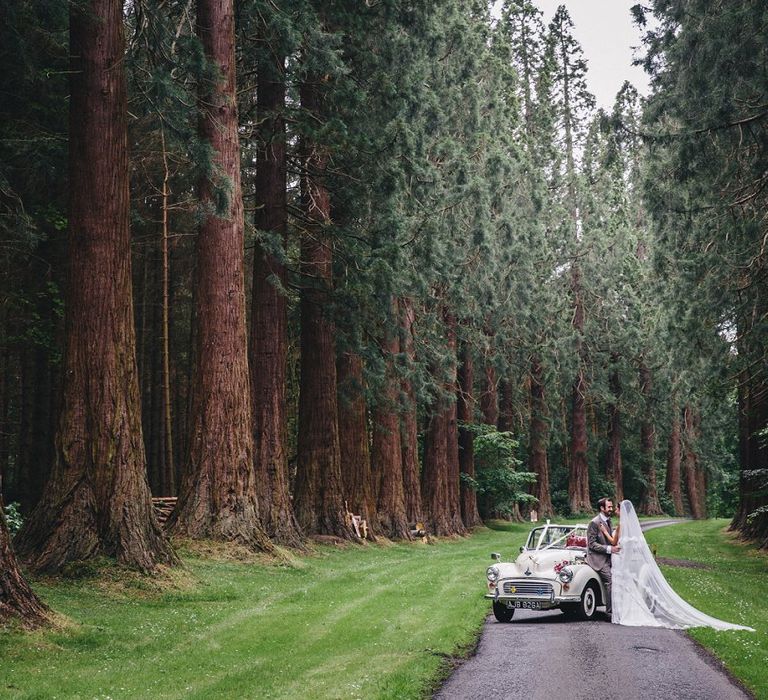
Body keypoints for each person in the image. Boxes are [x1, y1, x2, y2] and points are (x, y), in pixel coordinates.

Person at [611, 499, 753, 631]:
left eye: (616, 509)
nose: (615, 512)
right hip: (630, 562)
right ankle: (632, 610)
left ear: (621, 511)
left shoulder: (621, 526)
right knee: (631, 588)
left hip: (623, 562)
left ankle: (627, 612)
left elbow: (614, 543)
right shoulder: (634, 528)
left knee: (627, 587)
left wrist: (605, 532)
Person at [586, 497, 619, 616]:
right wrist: (610, 549)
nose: (611, 509)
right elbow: (592, 544)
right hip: (598, 559)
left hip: (610, 558)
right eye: (609, 507)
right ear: (602, 508)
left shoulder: (609, 520)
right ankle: (610, 612)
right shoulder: (594, 522)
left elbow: (610, 539)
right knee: (611, 580)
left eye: (611, 506)